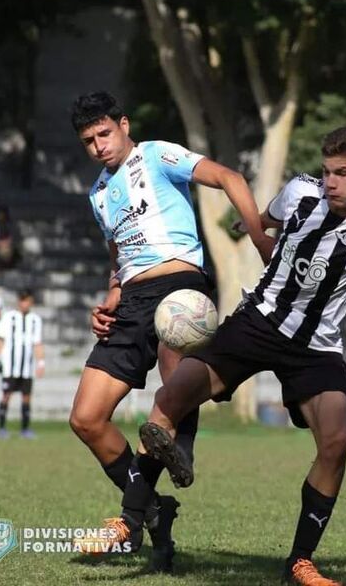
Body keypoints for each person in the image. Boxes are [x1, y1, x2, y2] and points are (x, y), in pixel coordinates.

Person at [86, 125, 346, 585]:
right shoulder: (301, 191)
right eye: (327, 171)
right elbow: (270, 215)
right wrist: (252, 226)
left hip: (316, 348)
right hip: (256, 323)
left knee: (336, 442)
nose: (331, 182)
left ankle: (300, 562)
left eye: (343, 173)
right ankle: (130, 518)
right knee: (170, 400)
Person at [67, 91, 272, 569]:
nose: (98, 145)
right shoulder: (98, 194)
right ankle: (155, 509)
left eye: (104, 133)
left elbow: (229, 177)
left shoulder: (156, 155)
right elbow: (119, 255)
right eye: (88, 140)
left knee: (173, 382)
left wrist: (259, 236)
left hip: (181, 288)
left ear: (123, 124)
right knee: (86, 418)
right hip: (131, 302)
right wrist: (111, 293)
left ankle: (135, 511)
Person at [0, 289, 44, 439]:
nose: (24, 303)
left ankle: (25, 429)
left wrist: (41, 362)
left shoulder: (35, 320)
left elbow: (37, 343)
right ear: (18, 301)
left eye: (26, 300)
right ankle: (1, 428)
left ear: (31, 302)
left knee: (26, 397)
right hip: (9, 367)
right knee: (5, 396)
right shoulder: (9, 317)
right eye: (22, 300)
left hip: (27, 368)